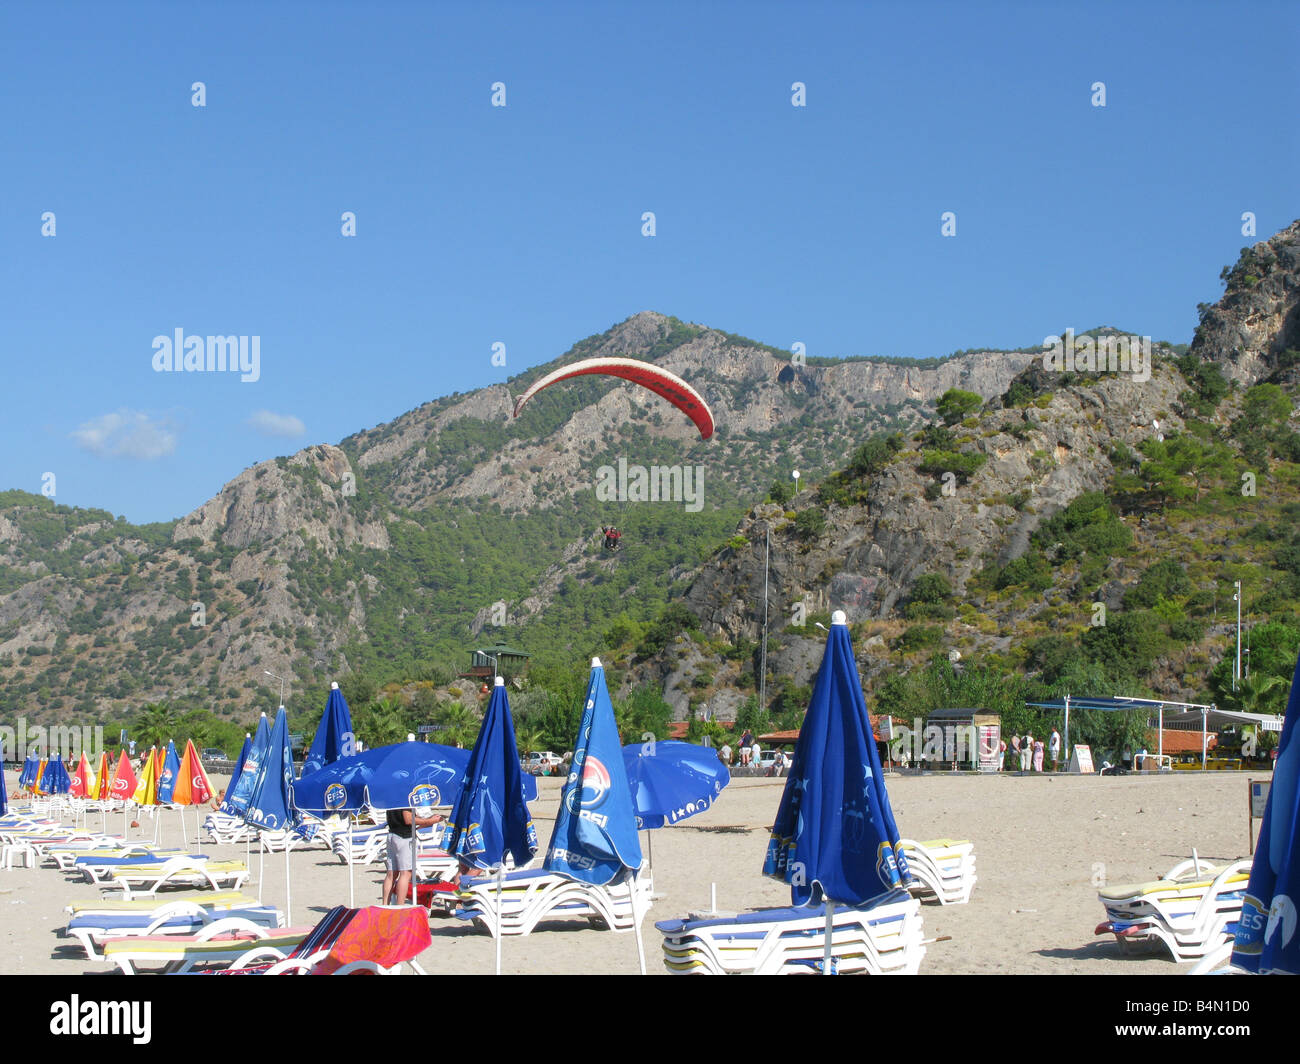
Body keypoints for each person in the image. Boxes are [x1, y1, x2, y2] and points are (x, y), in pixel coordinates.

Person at [382, 806, 445, 906]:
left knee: (391, 874)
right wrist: (431, 821)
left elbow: (408, 818)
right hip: (404, 837)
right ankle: (400, 906)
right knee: (405, 874)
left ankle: (385, 905)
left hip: (392, 834)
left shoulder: (392, 794)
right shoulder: (405, 795)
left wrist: (427, 819)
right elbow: (408, 819)